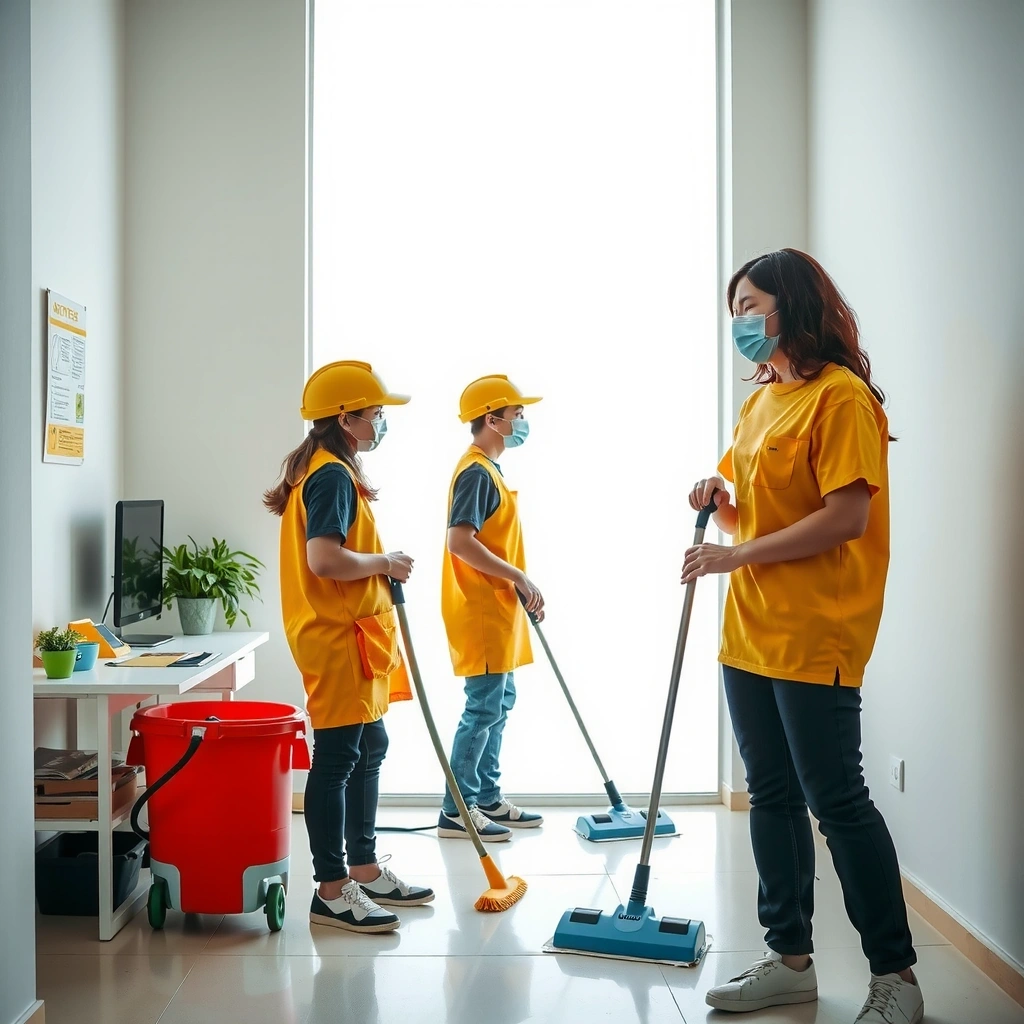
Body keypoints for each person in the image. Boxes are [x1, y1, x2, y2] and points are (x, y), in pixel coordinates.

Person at [683, 250, 923, 1023]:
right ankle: (789, 961)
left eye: (750, 306)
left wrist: (735, 554)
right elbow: (751, 516)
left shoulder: (842, 397)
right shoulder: (762, 401)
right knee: (772, 797)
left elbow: (845, 517)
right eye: (734, 311)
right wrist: (716, 499)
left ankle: (898, 978)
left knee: (838, 801)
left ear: (792, 305)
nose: (740, 322)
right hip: (749, 631)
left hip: (817, 630)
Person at [264, 360, 433, 934]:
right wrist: (386, 562)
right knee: (337, 758)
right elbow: (324, 559)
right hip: (336, 638)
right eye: (376, 413)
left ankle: (363, 867)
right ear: (345, 417)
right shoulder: (331, 475)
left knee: (370, 744)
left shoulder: (325, 468)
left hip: (354, 635)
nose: (380, 422)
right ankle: (332, 890)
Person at [436, 374, 546, 841]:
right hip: (481, 609)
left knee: (500, 702)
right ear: (492, 419)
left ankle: (485, 797)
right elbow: (460, 541)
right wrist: (518, 575)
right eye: (517, 413)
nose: (522, 420)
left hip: (498, 609)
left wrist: (518, 584)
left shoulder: (489, 470)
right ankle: (457, 809)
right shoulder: (476, 472)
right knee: (482, 708)